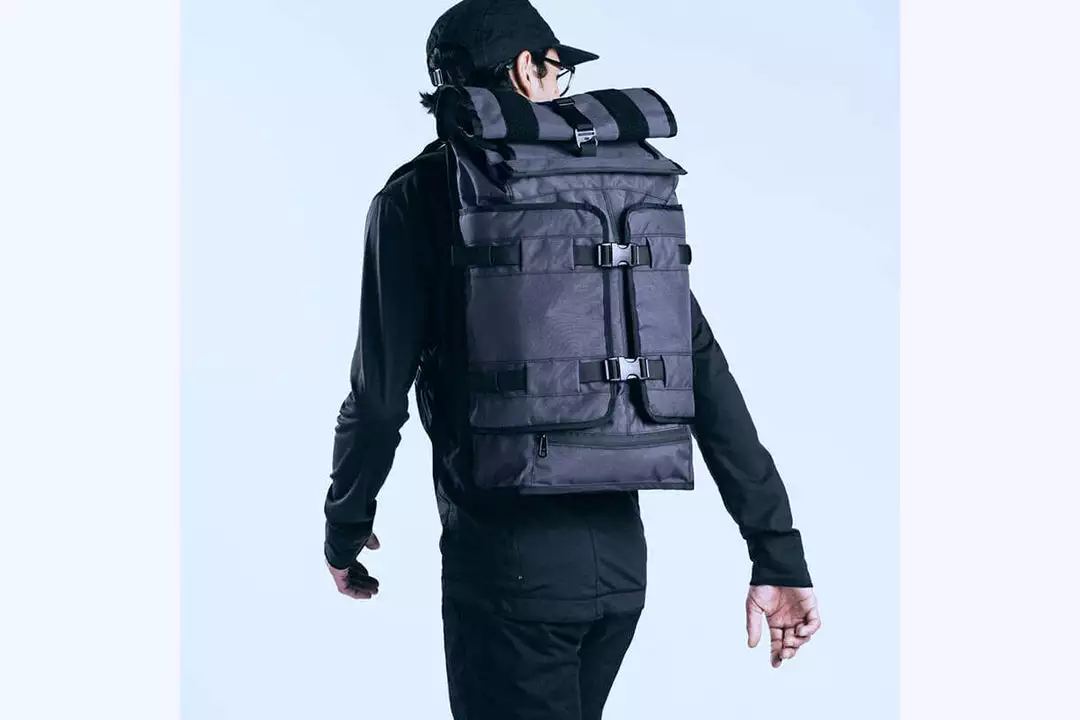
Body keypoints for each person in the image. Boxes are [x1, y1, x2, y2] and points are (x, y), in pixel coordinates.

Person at [322, 1, 822, 718]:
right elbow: (705, 374)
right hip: (620, 571)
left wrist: (346, 525)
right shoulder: (617, 192)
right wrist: (777, 551)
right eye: (558, 70)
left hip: (508, 575)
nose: (560, 88)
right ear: (526, 70)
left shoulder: (418, 196)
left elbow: (376, 397)